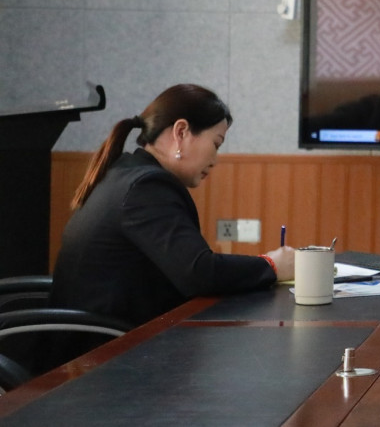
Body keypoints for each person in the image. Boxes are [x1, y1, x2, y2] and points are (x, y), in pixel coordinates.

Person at [51, 84, 295, 331]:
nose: (215, 160)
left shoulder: (126, 173)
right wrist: (272, 265)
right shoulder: (145, 187)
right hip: (105, 345)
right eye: (216, 144)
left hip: (102, 334)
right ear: (181, 132)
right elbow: (199, 273)